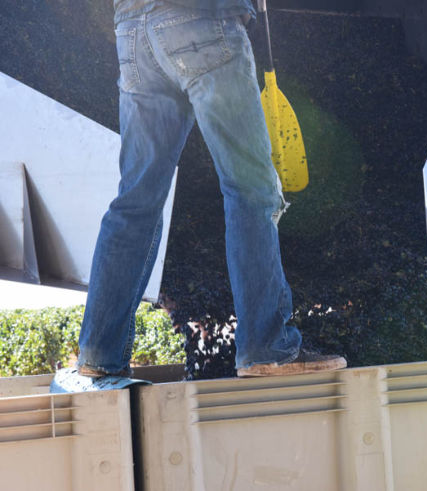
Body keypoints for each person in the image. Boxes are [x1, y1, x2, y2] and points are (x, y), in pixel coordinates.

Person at [76, 0, 345, 378]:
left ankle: (98, 354)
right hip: (201, 21)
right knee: (251, 189)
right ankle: (266, 347)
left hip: (133, 31)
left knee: (135, 201)